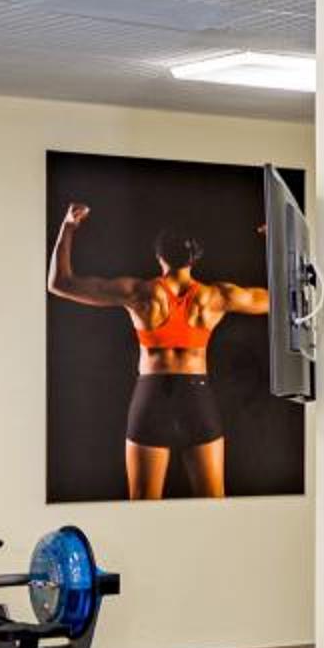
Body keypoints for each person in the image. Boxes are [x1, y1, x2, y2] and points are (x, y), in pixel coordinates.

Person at [46, 203, 270, 500]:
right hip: (197, 398)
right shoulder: (215, 297)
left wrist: (68, 228)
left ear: (159, 256)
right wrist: (278, 244)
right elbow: (279, 301)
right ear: (196, 256)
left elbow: (59, 283)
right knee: (213, 506)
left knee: (142, 506)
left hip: (150, 400)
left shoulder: (138, 293)